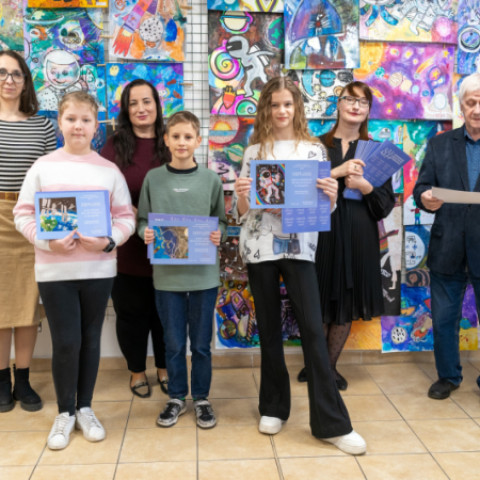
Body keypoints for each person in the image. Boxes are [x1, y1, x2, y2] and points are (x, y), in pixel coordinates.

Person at [233, 76, 366, 455]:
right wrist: (242, 196)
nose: (281, 111)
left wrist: (332, 195)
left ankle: (332, 423)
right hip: (259, 246)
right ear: (266, 108)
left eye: (287, 104)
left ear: (297, 108)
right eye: (274, 104)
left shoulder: (313, 151)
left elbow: (324, 208)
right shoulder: (254, 151)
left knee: (311, 329)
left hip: (299, 248)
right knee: (269, 329)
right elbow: (244, 212)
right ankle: (273, 407)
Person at [13, 91, 135, 449]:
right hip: (55, 273)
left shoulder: (109, 170)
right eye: (71, 119)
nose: (78, 126)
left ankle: (85, 408)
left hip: (98, 271)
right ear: (60, 123)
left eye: (85, 120)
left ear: (97, 126)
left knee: (90, 340)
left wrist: (109, 241)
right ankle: (65, 412)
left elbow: (125, 218)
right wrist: (46, 242)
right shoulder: (43, 167)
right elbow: (23, 214)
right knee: (66, 342)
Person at [297, 82, 394, 390]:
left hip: (358, 235)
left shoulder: (377, 152)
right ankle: (318, 365)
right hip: (320, 233)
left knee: (346, 300)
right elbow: (297, 189)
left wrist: (365, 186)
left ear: (368, 111)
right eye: (349, 99)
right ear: (338, 104)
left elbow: (384, 206)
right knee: (317, 298)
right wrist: (338, 173)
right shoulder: (315, 146)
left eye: (362, 102)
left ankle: (326, 369)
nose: (355, 106)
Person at [137, 111, 227, 429]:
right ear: (166, 140)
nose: (182, 142)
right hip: (167, 278)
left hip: (204, 276)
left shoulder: (211, 180)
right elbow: (143, 220)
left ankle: (201, 398)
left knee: (201, 344)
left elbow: (222, 222)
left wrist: (219, 234)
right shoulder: (153, 179)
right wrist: (145, 233)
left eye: (188, 137)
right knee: (174, 343)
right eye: (175, 136)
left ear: (198, 140)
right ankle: (176, 397)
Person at [413, 72, 480, 400]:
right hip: (447, 244)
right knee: (443, 319)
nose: (477, 109)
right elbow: (422, 187)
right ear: (461, 106)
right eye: (471, 102)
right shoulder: (440, 144)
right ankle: (448, 376)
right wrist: (424, 197)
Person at [101, 79, 169, 398]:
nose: (141, 108)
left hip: (169, 246)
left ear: (157, 105)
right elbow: (100, 191)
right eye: (133, 103)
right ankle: (137, 371)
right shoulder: (114, 145)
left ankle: (165, 368)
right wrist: (130, 212)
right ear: (126, 110)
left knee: (166, 314)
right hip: (128, 247)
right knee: (131, 314)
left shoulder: (171, 139)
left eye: (147, 101)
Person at [0, 50, 57, 414]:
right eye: (2, 73)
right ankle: (0, 380)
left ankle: (23, 378)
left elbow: (52, 178)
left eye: (16, 74)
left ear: (25, 81)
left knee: (26, 304)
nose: (9, 80)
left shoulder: (43, 127)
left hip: (30, 220)